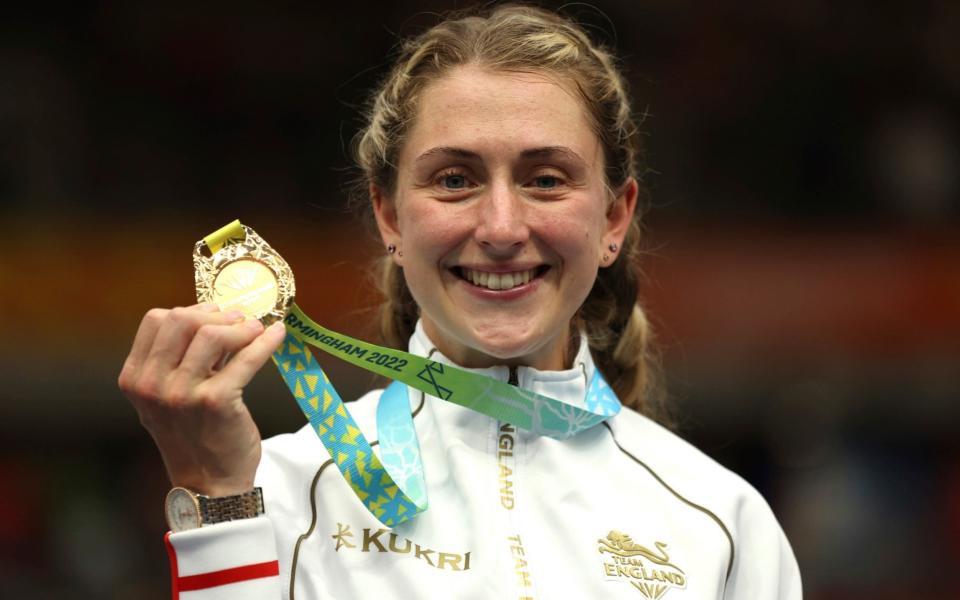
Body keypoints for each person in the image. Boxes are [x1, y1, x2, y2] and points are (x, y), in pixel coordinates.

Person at [118, 5, 801, 599]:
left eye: (545, 179)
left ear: (614, 220)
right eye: (454, 179)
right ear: (390, 217)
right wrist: (215, 493)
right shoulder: (278, 494)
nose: (502, 228)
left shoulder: (722, 522)